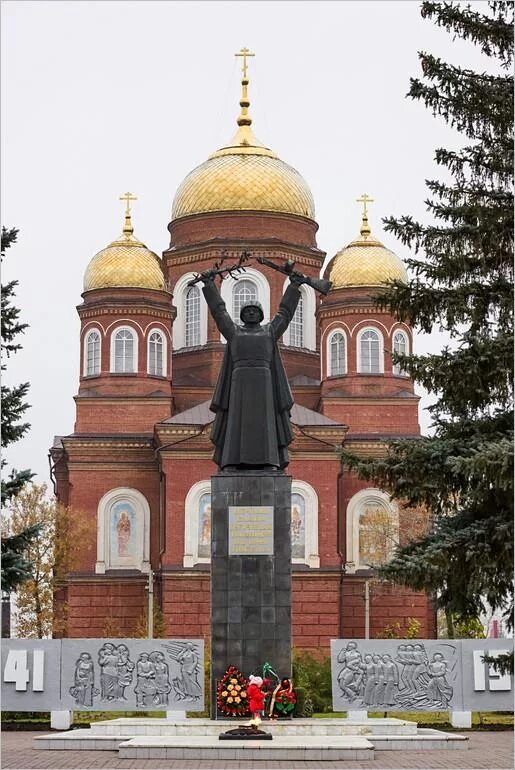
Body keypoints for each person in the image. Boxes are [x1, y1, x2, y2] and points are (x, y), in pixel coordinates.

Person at [200, 272, 302, 470]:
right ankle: (232, 461)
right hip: (239, 383)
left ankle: (269, 461)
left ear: (261, 314)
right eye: (248, 311)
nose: (252, 313)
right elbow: (219, 313)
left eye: (255, 311)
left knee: (265, 422)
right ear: (242, 314)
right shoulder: (234, 332)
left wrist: (294, 287)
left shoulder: (270, 331)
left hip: (264, 384)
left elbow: (285, 313)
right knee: (236, 421)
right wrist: (209, 285)